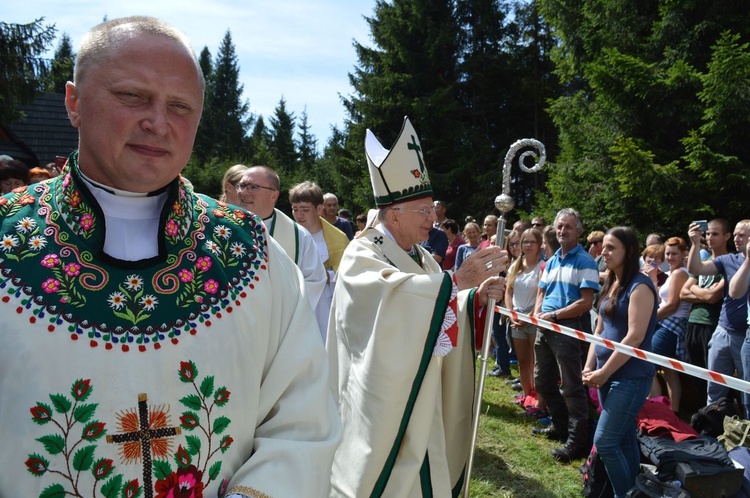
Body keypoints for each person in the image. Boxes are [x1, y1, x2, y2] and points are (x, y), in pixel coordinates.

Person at [0, 17, 339, 497]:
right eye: (132, 96)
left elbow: (303, 417)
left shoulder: (249, 251)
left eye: (180, 106)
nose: (158, 122)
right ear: (74, 102)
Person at [327, 116, 507, 497]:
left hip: (422, 390)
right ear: (394, 215)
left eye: (433, 211)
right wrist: (456, 283)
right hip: (382, 399)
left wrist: (474, 295)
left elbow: (436, 300)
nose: (434, 220)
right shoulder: (362, 254)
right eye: (424, 211)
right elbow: (392, 306)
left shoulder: (422, 258)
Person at [583, 227, 658, 498]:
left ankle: (625, 494)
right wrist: (590, 366)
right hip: (607, 374)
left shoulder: (641, 286)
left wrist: (603, 372)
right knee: (624, 439)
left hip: (631, 378)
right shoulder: (611, 283)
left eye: (611, 247)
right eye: (604, 246)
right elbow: (599, 331)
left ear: (629, 251)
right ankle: (632, 491)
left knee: (605, 441)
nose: (604, 251)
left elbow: (635, 337)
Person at [532, 208, 599, 463]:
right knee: (542, 381)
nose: (562, 231)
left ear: (579, 231)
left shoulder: (585, 261)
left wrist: (554, 316)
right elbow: (541, 292)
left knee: (572, 387)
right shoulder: (551, 261)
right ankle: (560, 427)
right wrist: (538, 315)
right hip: (545, 327)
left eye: (568, 227)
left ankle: (577, 441)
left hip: (568, 329)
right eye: (559, 226)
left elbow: (585, 302)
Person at [235, 165, 327, 328]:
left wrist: (280, 311)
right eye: (242, 186)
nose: (244, 192)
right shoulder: (222, 228)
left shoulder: (299, 236)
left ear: (274, 195)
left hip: (278, 327)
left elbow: (314, 280)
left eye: (254, 187)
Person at [688, 220, 750, 409]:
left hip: (745, 334)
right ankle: (712, 429)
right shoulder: (728, 260)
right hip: (724, 330)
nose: (737, 239)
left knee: (746, 392)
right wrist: (695, 243)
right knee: (714, 387)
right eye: (737, 234)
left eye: (743, 235)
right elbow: (695, 269)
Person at [292, 182, 350, 335]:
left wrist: (328, 275)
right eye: (295, 209)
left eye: (305, 209)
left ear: (319, 209)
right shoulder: (289, 235)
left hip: (327, 303)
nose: (299, 215)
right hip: (297, 304)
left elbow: (349, 274)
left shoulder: (338, 239)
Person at [680, 219, 729, 374]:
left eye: (715, 234)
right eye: (708, 233)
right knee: (695, 371)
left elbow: (713, 297)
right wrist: (704, 292)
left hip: (713, 323)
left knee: (714, 373)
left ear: (727, 236)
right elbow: (683, 293)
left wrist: (695, 289)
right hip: (693, 321)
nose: (709, 237)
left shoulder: (730, 262)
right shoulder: (703, 262)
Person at [649, 237, 691, 413]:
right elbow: (660, 299)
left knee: (646, 362)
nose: (670, 257)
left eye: (674, 253)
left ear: (683, 254)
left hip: (671, 326)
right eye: (667, 253)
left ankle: (656, 407)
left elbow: (672, 305)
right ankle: (673, 410)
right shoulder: (673, 273)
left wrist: (649, 320)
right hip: (666, 324)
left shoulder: (680, 273)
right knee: (669, 368)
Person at [505, 228, 544, 399]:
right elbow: (508, 290)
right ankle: (527, 394)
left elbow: (541, 295)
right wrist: (511, 313)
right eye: (525, 241)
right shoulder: (516, 265)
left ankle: (539, 397)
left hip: (533, 319)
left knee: (536, 362)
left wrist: (528, 317)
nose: (528, 245)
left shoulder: (542, 267)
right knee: (522, 360)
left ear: (539, 245)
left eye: (532, 242)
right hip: (516, 318)